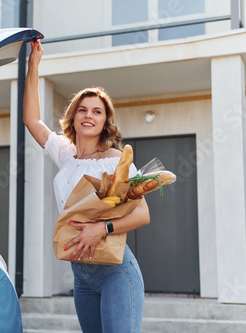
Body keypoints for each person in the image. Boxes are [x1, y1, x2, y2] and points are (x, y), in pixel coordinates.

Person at [23, 39, 151, 333]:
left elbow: (142, 214)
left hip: (116, 273)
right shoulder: (66, 155)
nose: (89, 115)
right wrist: (34, 65)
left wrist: (101, 228)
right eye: (82, 109)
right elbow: (31, 120)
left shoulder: (115, 160)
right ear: (74, 116)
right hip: (81, 275)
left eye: (97, 111)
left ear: (106, 121)